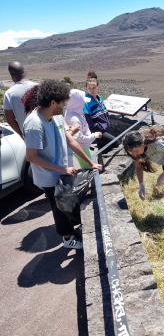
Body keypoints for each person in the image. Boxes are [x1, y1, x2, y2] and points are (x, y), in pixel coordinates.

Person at [23, 79, 102, 249]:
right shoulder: (34, 124)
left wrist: (90, 163)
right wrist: (62, 168)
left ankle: (73, 229)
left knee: (68, 202)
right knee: (58, 208)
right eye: (62, 103)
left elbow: (70, 140)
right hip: (49, 177)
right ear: (53, 102)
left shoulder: (57, 116)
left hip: (62, 171)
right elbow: (31, 157)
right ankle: (67, 238)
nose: (64, 106)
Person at [123, 127, 164, 233]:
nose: (134, 154)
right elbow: (138, 166)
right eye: (131, 152)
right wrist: (141, 185)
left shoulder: (157, 144)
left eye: (136, 151)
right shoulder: (135, 148)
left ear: (142, 143)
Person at [64, 88, 102, 168]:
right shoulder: (74, 119)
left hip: (82, 149)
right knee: (88, 170)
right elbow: (80, 139)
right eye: (83, 102)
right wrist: (94, 135)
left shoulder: (72, 112)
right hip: (82, 151)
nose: (85, 104)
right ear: (77, 103)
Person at [3, 61, 37, 137]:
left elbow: (10, 120)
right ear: (25, 72)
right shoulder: (39, 87)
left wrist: (22, 134)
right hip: (48, 132)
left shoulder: (9, 94)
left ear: (11, 75)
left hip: (30, 136)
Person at [83, 71, 115, 147]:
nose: (91, 90)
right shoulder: (86, 102)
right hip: (97, 131)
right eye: (89, 88)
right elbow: (89, 122)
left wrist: (107, 123)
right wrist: (100, 127)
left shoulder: (99, 98)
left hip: (105, 127)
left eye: (94, 87)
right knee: (115, 143)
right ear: (86, 88)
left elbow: (105, 113)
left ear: (98, 86)